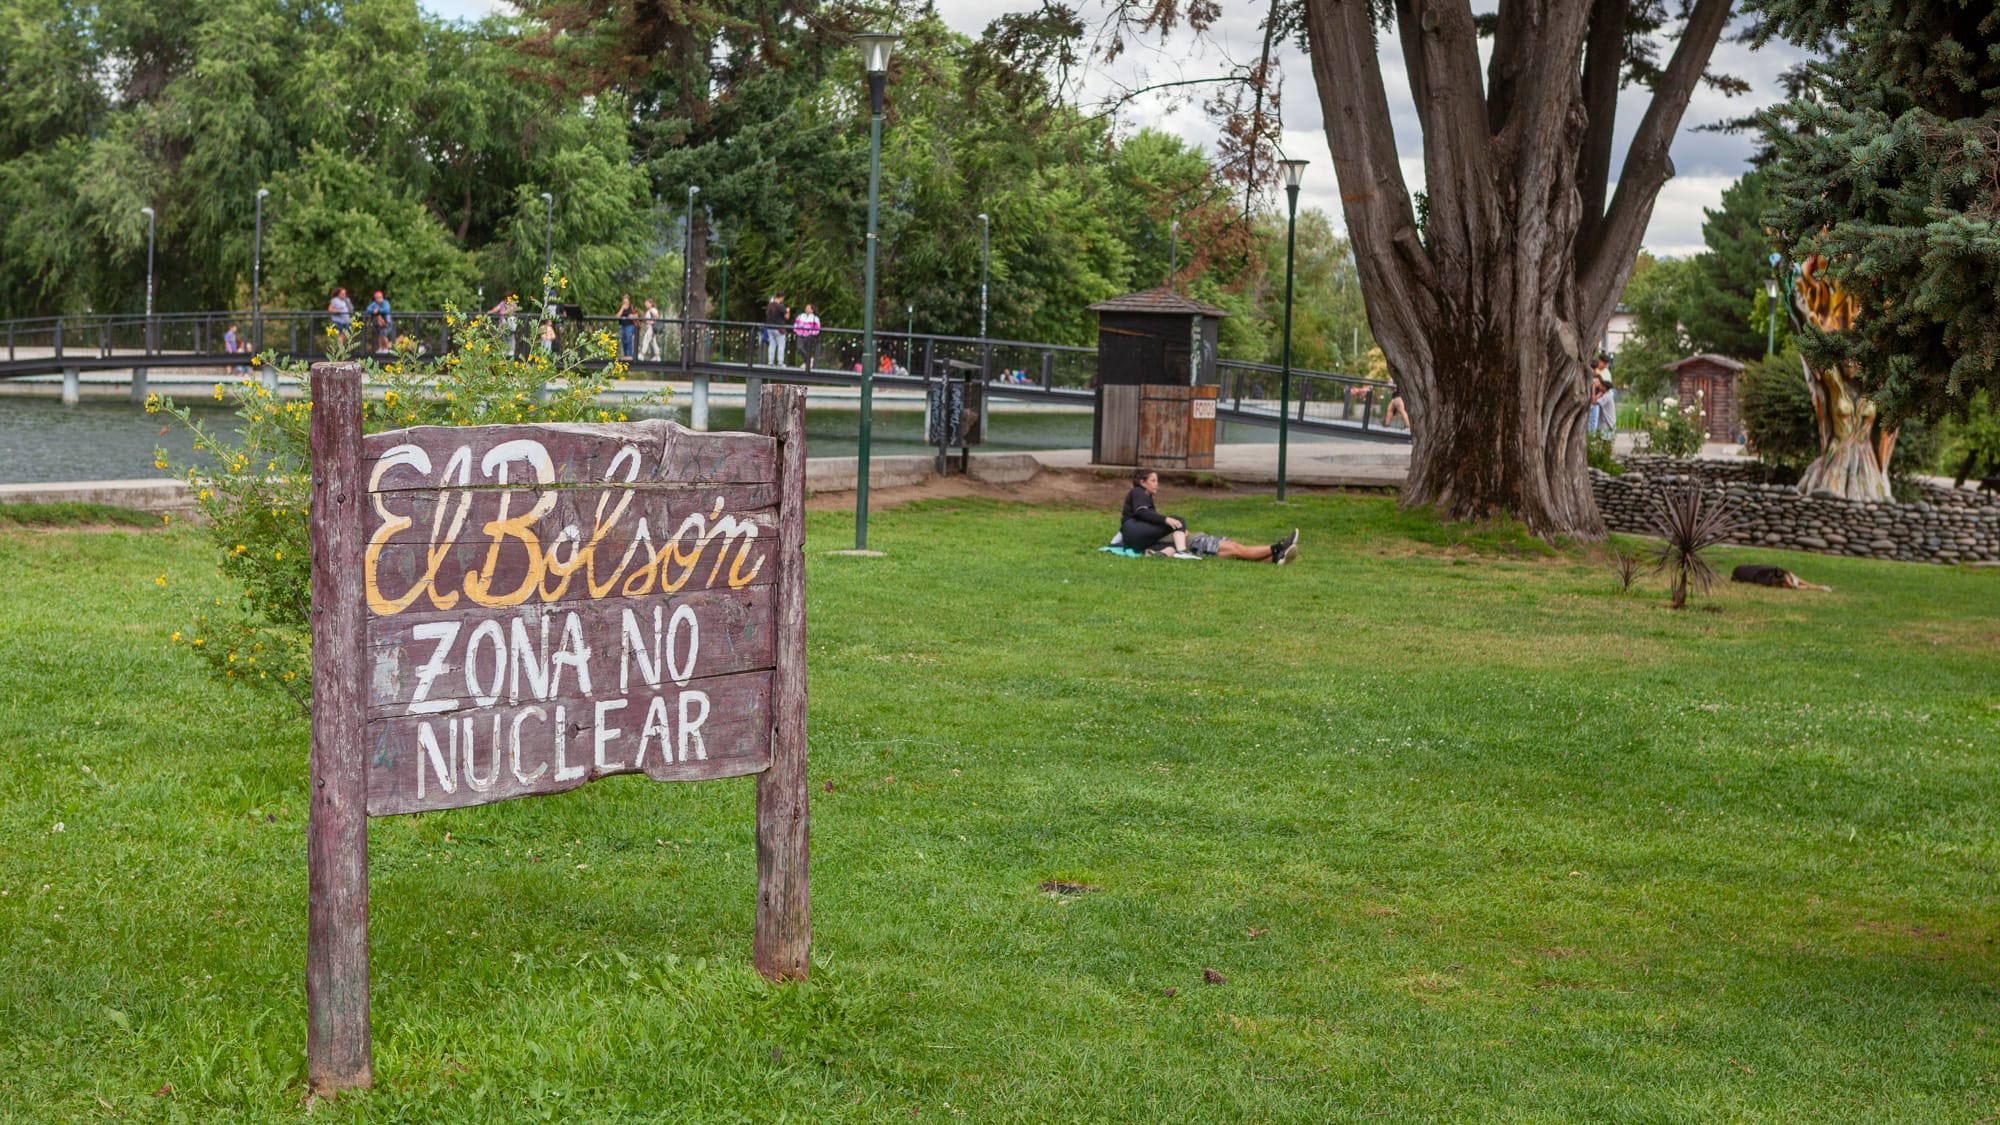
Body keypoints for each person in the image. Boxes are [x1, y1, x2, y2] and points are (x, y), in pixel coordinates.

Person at [1118, 469, 1300, 564]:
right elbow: (1143, 517)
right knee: (1236, 548)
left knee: (1236, 553)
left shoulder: (1143, 526)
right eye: (1153, 481)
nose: (1157, 485)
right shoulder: (1138, 493)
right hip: (1195, 542)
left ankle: (1276, 558)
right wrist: (1173, 525)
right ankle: (1278, 547)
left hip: (1194, 544)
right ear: (1143, 483)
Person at [763, 293, 789, 366]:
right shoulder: (780, 306)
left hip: (769, 328)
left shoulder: (769, 305)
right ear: (781, 297)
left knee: (772, 345)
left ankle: (770, 362)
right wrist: (788, 311)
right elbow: (787, 317)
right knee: (781, 345)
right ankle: (780, 363)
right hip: (779, 328)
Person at [793, 303, 821, 370]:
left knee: (807, 349)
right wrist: (796, 330)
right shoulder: (801, 316)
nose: (806, 309)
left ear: (812, 310)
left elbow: (817, 328)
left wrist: (812, 333)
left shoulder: (815, 318)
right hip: (800, 334)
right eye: (806, 308)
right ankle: (809, 359)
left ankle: (806, 362)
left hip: (809, 336)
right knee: (800, 348)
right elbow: (796, 324)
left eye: (808, 308)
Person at [615, 294, 637, 359]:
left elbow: (636, 316)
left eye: (626, 301)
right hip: (622, 326)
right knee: (623, 340)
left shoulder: (632, 307)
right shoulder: (621, 307)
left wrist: (632, 316)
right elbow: (617, 316)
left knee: (628, 339)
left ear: (629, 301)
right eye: (624, 302)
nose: (625, 303)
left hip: (630, 325)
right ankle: (625, 355)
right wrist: (622, 308)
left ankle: (629, 355)